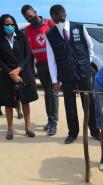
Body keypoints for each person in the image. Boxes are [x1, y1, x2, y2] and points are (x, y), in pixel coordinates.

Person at [46, 4, 99, 144]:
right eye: (56, 16)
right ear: (52, 17)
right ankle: (73, 133)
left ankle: (94, 130)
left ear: (65, 13)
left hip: (83, 72)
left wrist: (86, 63)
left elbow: (90, 46)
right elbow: (51, 59)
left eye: (62, 14)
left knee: (89, 102)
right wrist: (54, 80)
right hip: (66, 74)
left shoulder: (78, 27)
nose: (60, 18)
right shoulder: (50, 35)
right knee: (70, 104)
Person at [21, 5, 59, 136]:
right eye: (27, 19)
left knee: (53, 93)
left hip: (54, 63)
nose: (29, 19)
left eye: (30, 16)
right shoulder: (27, 30)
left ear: (35, 12)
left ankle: (53, 123)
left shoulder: (49, 23)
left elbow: (59, 41)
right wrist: (30, 70)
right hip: (41, 65)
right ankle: (50, 120)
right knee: (47, 94)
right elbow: (29, 53)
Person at [0, 14, 38, 140]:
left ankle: (27, 127)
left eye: (11, 24)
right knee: (9, 102)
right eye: (6, 24)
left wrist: (18, 69)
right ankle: (10, 128)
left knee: (25, 101)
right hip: (7, 75)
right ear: (2, 26)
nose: (10, 26)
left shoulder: (22, 37)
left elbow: (28, 56)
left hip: (23, 73)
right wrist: (11, 73)